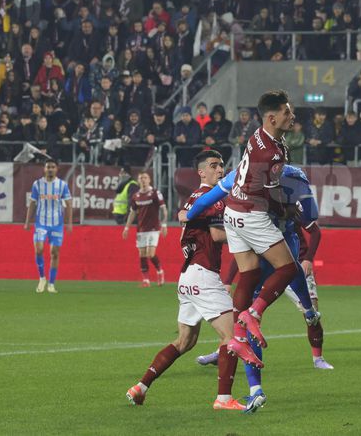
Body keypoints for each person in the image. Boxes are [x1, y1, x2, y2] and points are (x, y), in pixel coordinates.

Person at [184, 164, 334, 413]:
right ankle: (255, 387)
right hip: (275, 254)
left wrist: (188, 214)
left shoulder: (250, 174)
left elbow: (310, 219)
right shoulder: (285, 176)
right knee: (254, 320)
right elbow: (309, 214)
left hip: (281, 255)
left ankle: (312, 355)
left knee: (306, 312)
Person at [125, 150, 243, 411]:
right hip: (203, 275)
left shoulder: (193, 198)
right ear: (201, 172)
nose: (220, 170)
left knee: (184, 342)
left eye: (221, 165)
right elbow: (217, 235)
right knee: (232, 337)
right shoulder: (213, 200)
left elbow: (187, 221)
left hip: (187, 277)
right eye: (214, 165)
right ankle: (224, 399)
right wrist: (246, 233)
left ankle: (140, 387)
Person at [223, 89, 298, 366]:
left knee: (250, 273)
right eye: (287, 112)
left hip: (232, 211)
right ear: (271, 118)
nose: (292, 116)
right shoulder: (271, 153)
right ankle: (253, 313)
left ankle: (238, 336)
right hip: (251, 214)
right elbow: (271, 194)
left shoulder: (259, 135)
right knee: (288, 268)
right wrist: (286, 210)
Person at [24, 159, 72, 294]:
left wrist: (69, 223)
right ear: (44, 169)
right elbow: (32, 203)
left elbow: (69, 204)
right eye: (48, 167)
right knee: (39, 249)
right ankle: (42, 278)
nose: (50, 169)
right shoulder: (37, 184)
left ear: (57, 169)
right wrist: (27, 221)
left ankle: (51, 283)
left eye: (53, 167)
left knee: (54, 253)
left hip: (57, 224)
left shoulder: (62, 185)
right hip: (41, 223)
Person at [122, 171, 168, 287]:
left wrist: (164, 225)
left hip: (153, 228)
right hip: (141, 229)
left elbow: (163, 209)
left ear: (149, 180)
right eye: (141, 178)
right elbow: (132, 213)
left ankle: (160, 271)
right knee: (142, 254)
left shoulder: (155, 193)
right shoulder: (136, 196)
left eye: (145, 178)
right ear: (138, 180)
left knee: (150, 254)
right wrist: (127, 228)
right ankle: (146, 280)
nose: (143, 180)